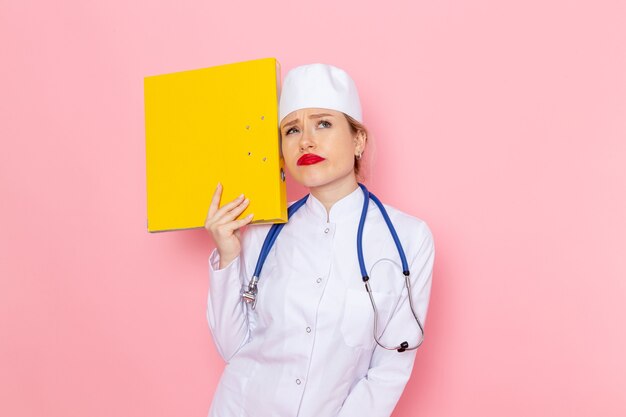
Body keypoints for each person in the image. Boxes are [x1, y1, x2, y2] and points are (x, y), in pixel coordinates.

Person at [204, 63, 435, 417]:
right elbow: (233, 349)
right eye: (292, 129)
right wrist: (228, 255)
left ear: (358, 140)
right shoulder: (263, 231)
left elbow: (390, 370)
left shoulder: (408, 238)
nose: (306, 140)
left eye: (323, 123)